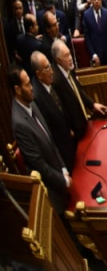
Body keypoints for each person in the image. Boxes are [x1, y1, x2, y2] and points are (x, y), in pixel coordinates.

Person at [9, 65, 71, 213]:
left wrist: (63, 169)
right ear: (17, 90)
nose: (32, 87)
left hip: (59, 173)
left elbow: (50, 140)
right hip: (51, 192)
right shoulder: (19, 124)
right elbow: (39, 165)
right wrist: (63, 181)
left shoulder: (32, 103)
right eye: (27, 84)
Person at [51, 40, 107, 139]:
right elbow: (60, 111)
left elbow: (78, 91)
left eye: (70, 54)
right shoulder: (55, 81)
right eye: (66, 56)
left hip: (84, 124)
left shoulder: (69, 68)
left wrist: (92, 104)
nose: (70, 58)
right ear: (58, 60)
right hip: (74, 133)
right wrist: (69, 129)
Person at [81, 0, 107, 65]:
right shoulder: (86, 15)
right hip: (96, 55)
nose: (96, 1)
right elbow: (87, 38)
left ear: (101, 0)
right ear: (91, 0)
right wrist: (93, 54)